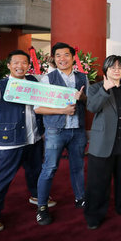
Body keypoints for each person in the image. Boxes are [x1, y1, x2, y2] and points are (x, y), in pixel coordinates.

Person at [0, 50, 50, 232]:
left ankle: (37, 196)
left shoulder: (35, 82)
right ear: (9, 65)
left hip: (34, 137)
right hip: (11, 141)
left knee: (36, 171)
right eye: (16, 63)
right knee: (2, 177)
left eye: (24, 63)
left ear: (28, 65)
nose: (20, 66)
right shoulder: (0, 87)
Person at [34, 42, 88, 226]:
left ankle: (80, 198)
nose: (62, 59)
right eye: (58, 56)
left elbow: (89, 103)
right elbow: (38, 108)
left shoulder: (83, 78)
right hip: (55, 130)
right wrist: (62, 111)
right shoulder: (47, 79)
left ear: (73, 58)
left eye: (66, 55)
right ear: (54, 59)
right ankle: (42, 207)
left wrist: (83, 98)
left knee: (78, 167)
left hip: (78, 130)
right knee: (49, 168)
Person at [84, 55, 121, 229]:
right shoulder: (95, 88)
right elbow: (92, 107)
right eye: (112, 67)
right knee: (98, 183)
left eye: (120, 67)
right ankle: (94, 216)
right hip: (102, 144)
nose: (116, 70)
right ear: (106, 70)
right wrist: (105, 90)